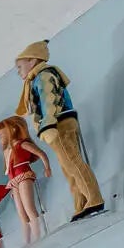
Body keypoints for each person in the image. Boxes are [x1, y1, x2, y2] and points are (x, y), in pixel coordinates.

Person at [14, 39, 104, 220]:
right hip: (56, 124)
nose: (18, 71)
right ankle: (80, 202)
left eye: (20, 66)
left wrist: (48, 125)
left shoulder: (44, 76)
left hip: (58, 124)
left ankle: (93, 198)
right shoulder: (37, 78)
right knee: (67, 167)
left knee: (72, 162)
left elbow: (50, 101)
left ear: (32, 60)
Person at [0, 115, 54, 245]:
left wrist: (47, 168)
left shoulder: (23, 144)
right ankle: (28, 241)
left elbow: (41, 153)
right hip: (13, 180)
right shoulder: (7, 150)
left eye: (2, 134)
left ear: (13, 130)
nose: (1, 137)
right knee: (22, 214)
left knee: (29, 209)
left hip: (23, 175)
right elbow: (8, 168)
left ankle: (39, 237)